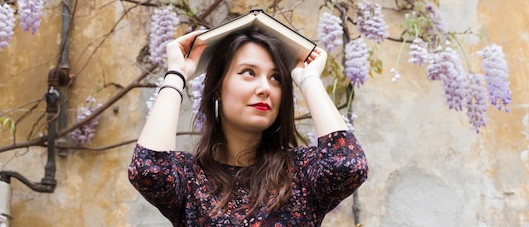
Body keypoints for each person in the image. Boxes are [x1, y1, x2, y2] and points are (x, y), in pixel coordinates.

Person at [128, 27, 368, 226]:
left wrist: (310, 80)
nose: (265, 88)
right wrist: (176, 74)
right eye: (249, 73)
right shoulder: (191, 179)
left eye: (276, 78)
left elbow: (347, 165)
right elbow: (149, 170)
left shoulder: (301, 174)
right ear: (217, 90)